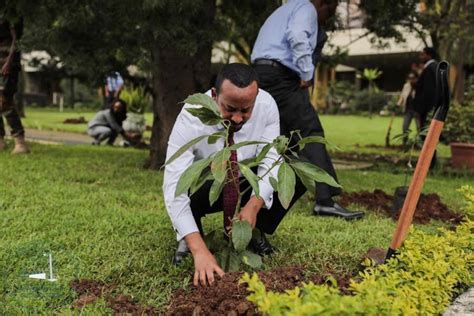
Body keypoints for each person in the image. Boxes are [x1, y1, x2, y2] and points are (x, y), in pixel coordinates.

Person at [163, 64, 310, 287]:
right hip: (208, 185)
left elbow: (271, 159)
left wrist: (253, 205)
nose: (238, 118)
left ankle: (255, 230)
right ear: (214, 95)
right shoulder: (192, 114)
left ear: (256, 95)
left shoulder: (266, 104)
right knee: (190, 189)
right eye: (230, 108)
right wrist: (199, 250)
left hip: (245, 179)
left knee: (291, 173)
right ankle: (189, 238)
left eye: (246, 110)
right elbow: (175, 185)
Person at [251, 0, 364, 220]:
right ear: (322, 3)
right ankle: (325, 200)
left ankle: (266, 195)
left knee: (278, 138)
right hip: (281, 77)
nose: (325, 20)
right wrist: (306, 73)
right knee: (310, 133)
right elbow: (297, 36)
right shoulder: (306, 8)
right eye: (328, 13)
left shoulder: (286, 9)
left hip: (263, 74)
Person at [0, 16, 29, 154]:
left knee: (5, 100)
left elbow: (15, 39)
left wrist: (9, 61)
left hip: (8, 63)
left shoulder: (10, 12)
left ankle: (20, 141)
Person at [414, 47, 438, 167]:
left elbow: (428, 91)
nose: (420, 57)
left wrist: (421, 109)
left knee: (427, 136)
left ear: (429, 55)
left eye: (422, 55)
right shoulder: (434, 67)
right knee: (428, 136)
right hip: (430, 108)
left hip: (427, 109)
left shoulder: (430, 68)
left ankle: (429, 163)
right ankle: (429, 162)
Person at [397, 71, 419, 146]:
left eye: (413, 78)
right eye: (409, 78)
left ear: (416, 78)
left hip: (417, 110)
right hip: (408, 110)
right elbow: (402, 96)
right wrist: (398, 105)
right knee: (405, 127)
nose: (411, 80)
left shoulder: (421, 86)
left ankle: (420, 143)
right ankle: (405, 143)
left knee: (419, 128)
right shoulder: (406, 86)